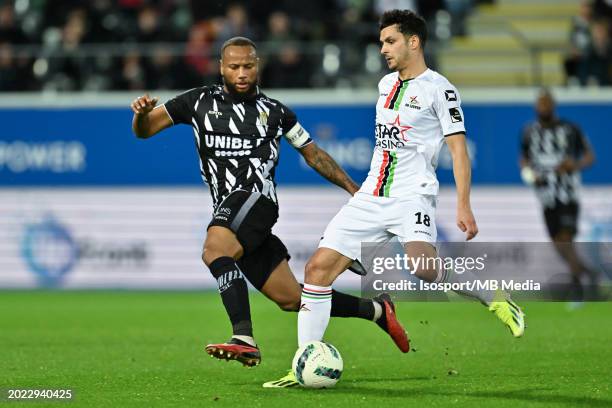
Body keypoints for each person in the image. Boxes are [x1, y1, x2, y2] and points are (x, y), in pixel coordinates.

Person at [268, 9, 526, 387]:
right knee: (317, 271)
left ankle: (495, 298)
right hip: (372, 194)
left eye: (390, 41)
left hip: (412, 196)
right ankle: (302, 362)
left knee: (423, 266)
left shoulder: (441, 89)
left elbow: (457, 151)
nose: (384, 49)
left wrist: (464, 205)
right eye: (382, 42)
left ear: (414, 41)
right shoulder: (385, 84)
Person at [130, 36, 409, 374]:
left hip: (256, 200)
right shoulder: (197, 101)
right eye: (234, 67)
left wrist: (356, 191)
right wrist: (142, 115)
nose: (242, 73)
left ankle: (243, 337)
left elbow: (313, 154)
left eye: (248, 65)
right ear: (221, 68)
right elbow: (145, 132)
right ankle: (377, 311)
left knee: (214, 250)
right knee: (291, 299)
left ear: (257, 65)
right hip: (230, 210)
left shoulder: (275, 112)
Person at [520, 88, 597, 303]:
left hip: (567, 195)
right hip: (546, 196)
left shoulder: (571, 129)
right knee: (558, 245)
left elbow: (590, 157)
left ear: (553, 105)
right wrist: (529, 175)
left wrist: (576, 164)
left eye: (546, 103)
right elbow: (524, 159)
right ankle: (590, 275)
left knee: (565, 240)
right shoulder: (529, 132)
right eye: (540, 103)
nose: (543, 107)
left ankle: (578, 292)